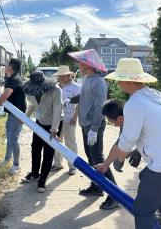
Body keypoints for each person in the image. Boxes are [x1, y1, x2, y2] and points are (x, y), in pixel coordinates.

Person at [104, 58, 161, 229]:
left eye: (118, 80)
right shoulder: (154, 97)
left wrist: (120, 159)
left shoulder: (135, 103)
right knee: (147, 180)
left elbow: (126, 141)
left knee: (142, 209)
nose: (117, 83)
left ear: (125, 80)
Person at [67, 49, 118, 210]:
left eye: (80, 62)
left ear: (88, 64)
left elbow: (99, 107)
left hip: (93, 125)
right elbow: (84, 96)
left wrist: (94, 128)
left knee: (99, 160)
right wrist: (71, 100)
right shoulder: (87, 78)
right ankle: (97, 186)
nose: (78, 64)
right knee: (91, 159)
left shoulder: (99, 82)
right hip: (85, 125)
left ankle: (114, 195)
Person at [22, 70, 63, 193]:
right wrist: (25, 117)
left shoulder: (55, 90)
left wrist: (54, 129)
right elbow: (33, 105)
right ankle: (35, 173)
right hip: (39, 122)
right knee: (35, 148)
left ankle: (43, 180)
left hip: (53, 123)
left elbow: (57, 109)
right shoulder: (31, 91)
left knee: (48, 152)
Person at [0, 58, 27, 175]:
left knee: (13, 139)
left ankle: (16, 165)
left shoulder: (13, 80)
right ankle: (7, 159)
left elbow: (5, 95)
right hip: (13, 113)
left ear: (11, 67)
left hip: (17, 115)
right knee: (9, 138)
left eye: (7, 64)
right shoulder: (14, 78)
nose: (5, 66)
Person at [51, 65, 80, 175]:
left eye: (63, 75)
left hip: (69, 118)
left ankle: (73, 166)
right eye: (60, 76)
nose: (61, 77)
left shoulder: (75, 87)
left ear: (69, 76)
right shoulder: (55, 86)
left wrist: (75, 116)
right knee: (56, 142)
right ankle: (57, 164)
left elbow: (79, 103)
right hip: (56, 120)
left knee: (70, 143)